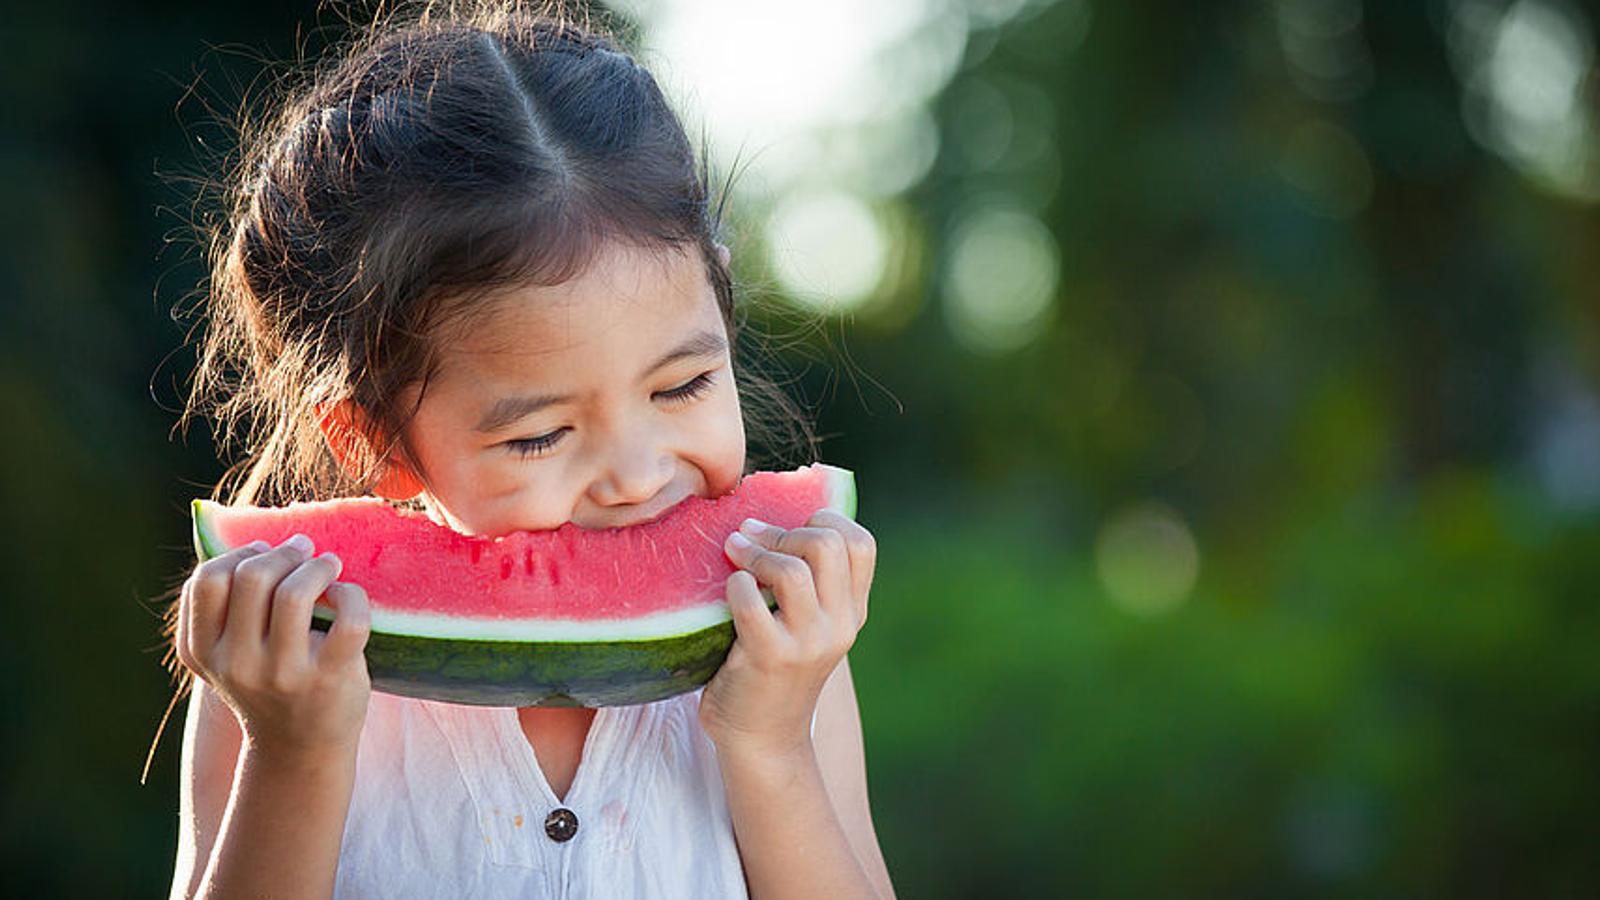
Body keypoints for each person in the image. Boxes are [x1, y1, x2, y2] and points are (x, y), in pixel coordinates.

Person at [163, 3, 894, 898]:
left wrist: (771, 745)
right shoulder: (278, 670)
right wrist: (295, 755)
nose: (635, 475)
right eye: (540, 435)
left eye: (683, 387)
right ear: (371, 440)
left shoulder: (789, 653)